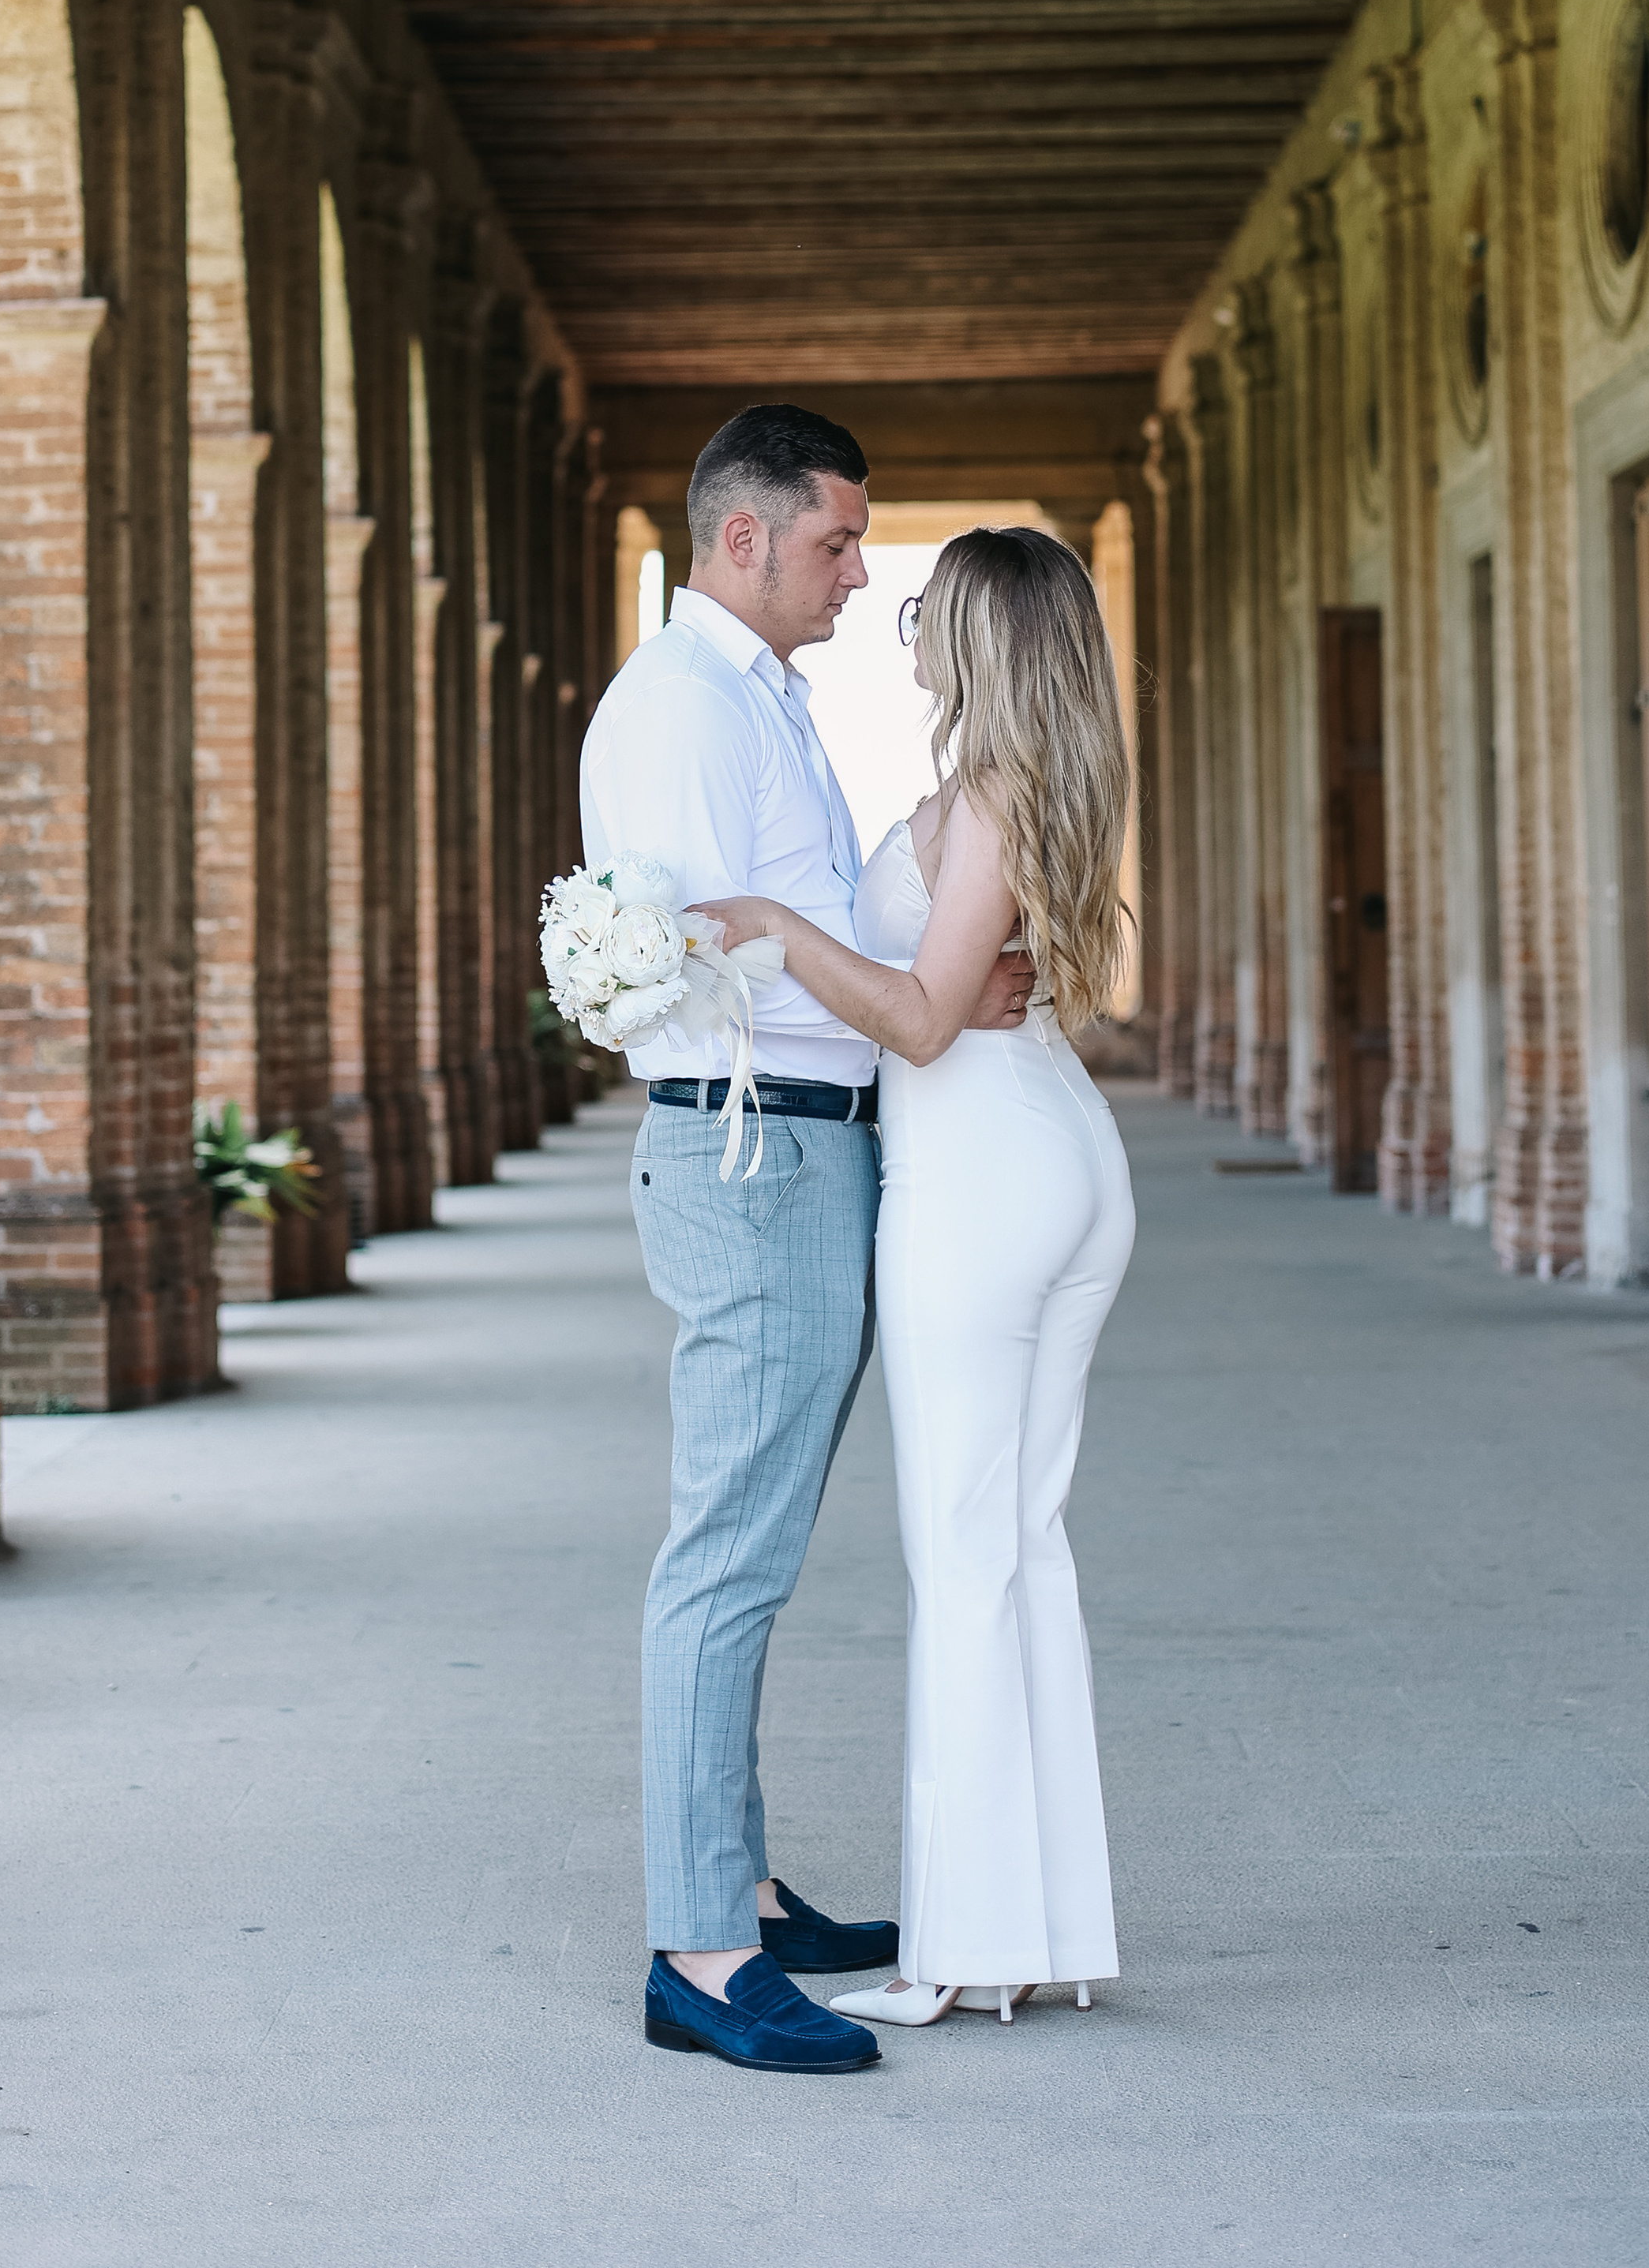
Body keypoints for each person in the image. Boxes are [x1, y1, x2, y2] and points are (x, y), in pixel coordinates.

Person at [579, 404, 1036, 2076]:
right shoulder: (677, 709)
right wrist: (906, 1002)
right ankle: (698, 1957)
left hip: (802, 1147)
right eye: (841, 540)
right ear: (744, 537)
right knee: (728, 1555)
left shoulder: (751, 698)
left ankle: (742, 1892)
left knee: (750, 1547)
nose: (862, 570)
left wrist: (934, 980)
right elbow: (696, 962)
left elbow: (799, 934)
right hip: (753, 1155)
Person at [694, 522, 1135, 2031]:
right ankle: (1037, 1929)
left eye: (932, 612)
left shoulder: (996, 798)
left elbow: (926, 1019)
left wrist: (774, 929)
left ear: (987, 640)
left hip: (981, 1178)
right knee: (1021, 1545)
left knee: (967, 1557)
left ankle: (959, 1953)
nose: (908, 625)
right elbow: (968, 990)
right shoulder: (1032, 788)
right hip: (1050, 1149)